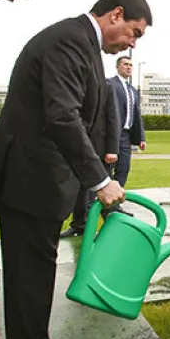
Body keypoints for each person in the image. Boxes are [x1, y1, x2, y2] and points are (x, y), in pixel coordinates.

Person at [0, 0, 152, 339]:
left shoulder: (81, 43)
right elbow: (62, 116)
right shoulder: (68, 41)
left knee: (36, 274)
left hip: (41, 180)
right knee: (28, 277)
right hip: (28, 179)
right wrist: (100, 181)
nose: (132, 45)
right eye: (135, 33)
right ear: (116, 14)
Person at [60, 82, 120, 238]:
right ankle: (79, 224)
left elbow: (112, 118)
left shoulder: (106, 87)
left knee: (103, 186)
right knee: (80, 189)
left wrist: (112, 149)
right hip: (77, 144)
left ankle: (113, 222)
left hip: (98, 146)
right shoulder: (73, 85)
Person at [108, 56, 146, 189]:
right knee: (106, 170)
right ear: (118, 67)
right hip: (111, 135)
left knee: (123, 168)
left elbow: (137, 115)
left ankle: (113, 204)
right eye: (125, 64)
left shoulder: (133, 90)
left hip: (126, 136)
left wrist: (141, 138)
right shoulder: (109, 84)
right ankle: (91, 205)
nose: (129, 67)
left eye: (131, 65)